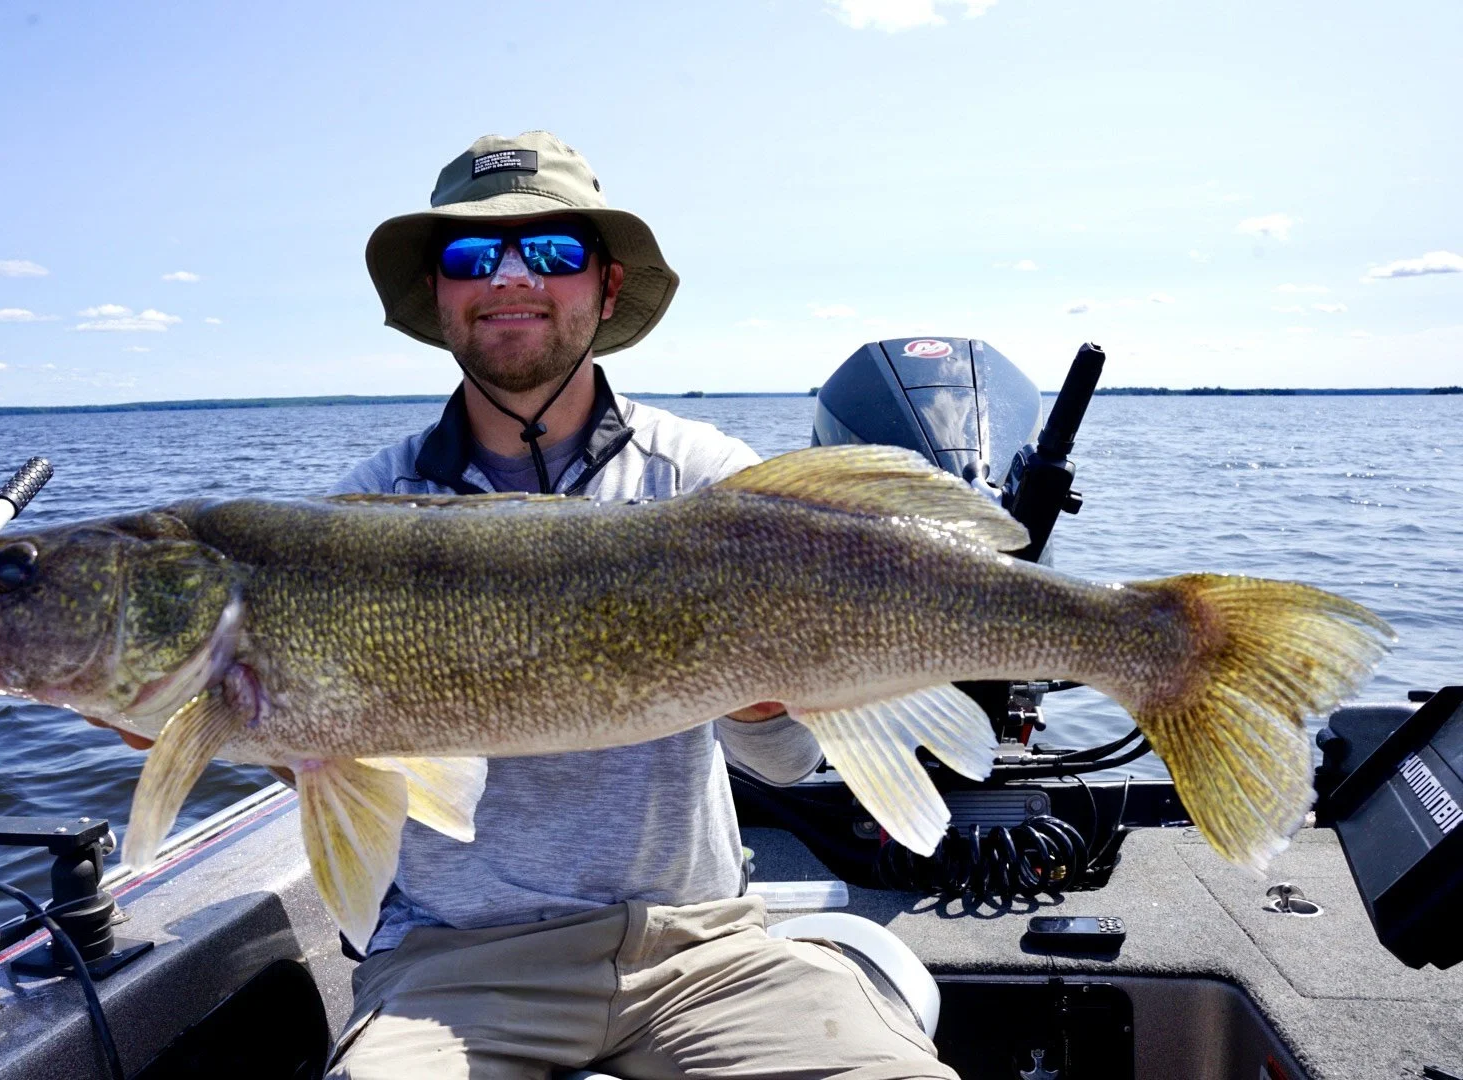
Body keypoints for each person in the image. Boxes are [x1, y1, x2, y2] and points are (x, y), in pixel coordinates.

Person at [98, 131, 959, 1080]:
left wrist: (763, 702)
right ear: (439, 295)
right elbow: (339, 782)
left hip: (701, 948)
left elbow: (788, 763)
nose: (510, 278)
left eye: (552, 251)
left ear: (609, 286)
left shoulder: (709, 481)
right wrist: (231, 727)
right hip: (453, 965)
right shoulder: (349, 521)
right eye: (472, 256)